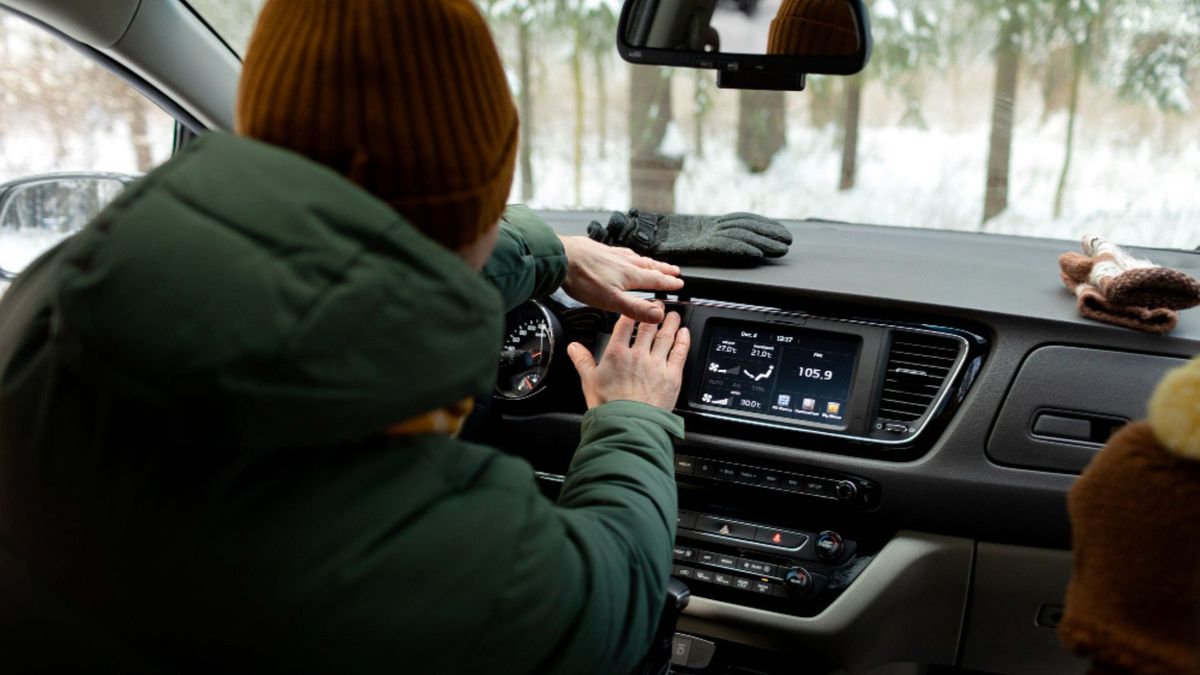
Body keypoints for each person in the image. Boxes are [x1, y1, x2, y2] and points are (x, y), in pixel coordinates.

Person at [0, 0, 690, 672]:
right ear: (479, 205)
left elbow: (363, 250)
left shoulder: (48, 299)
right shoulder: (431, 552)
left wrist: (550, 253)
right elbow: (612, 603)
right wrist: (632, 419)